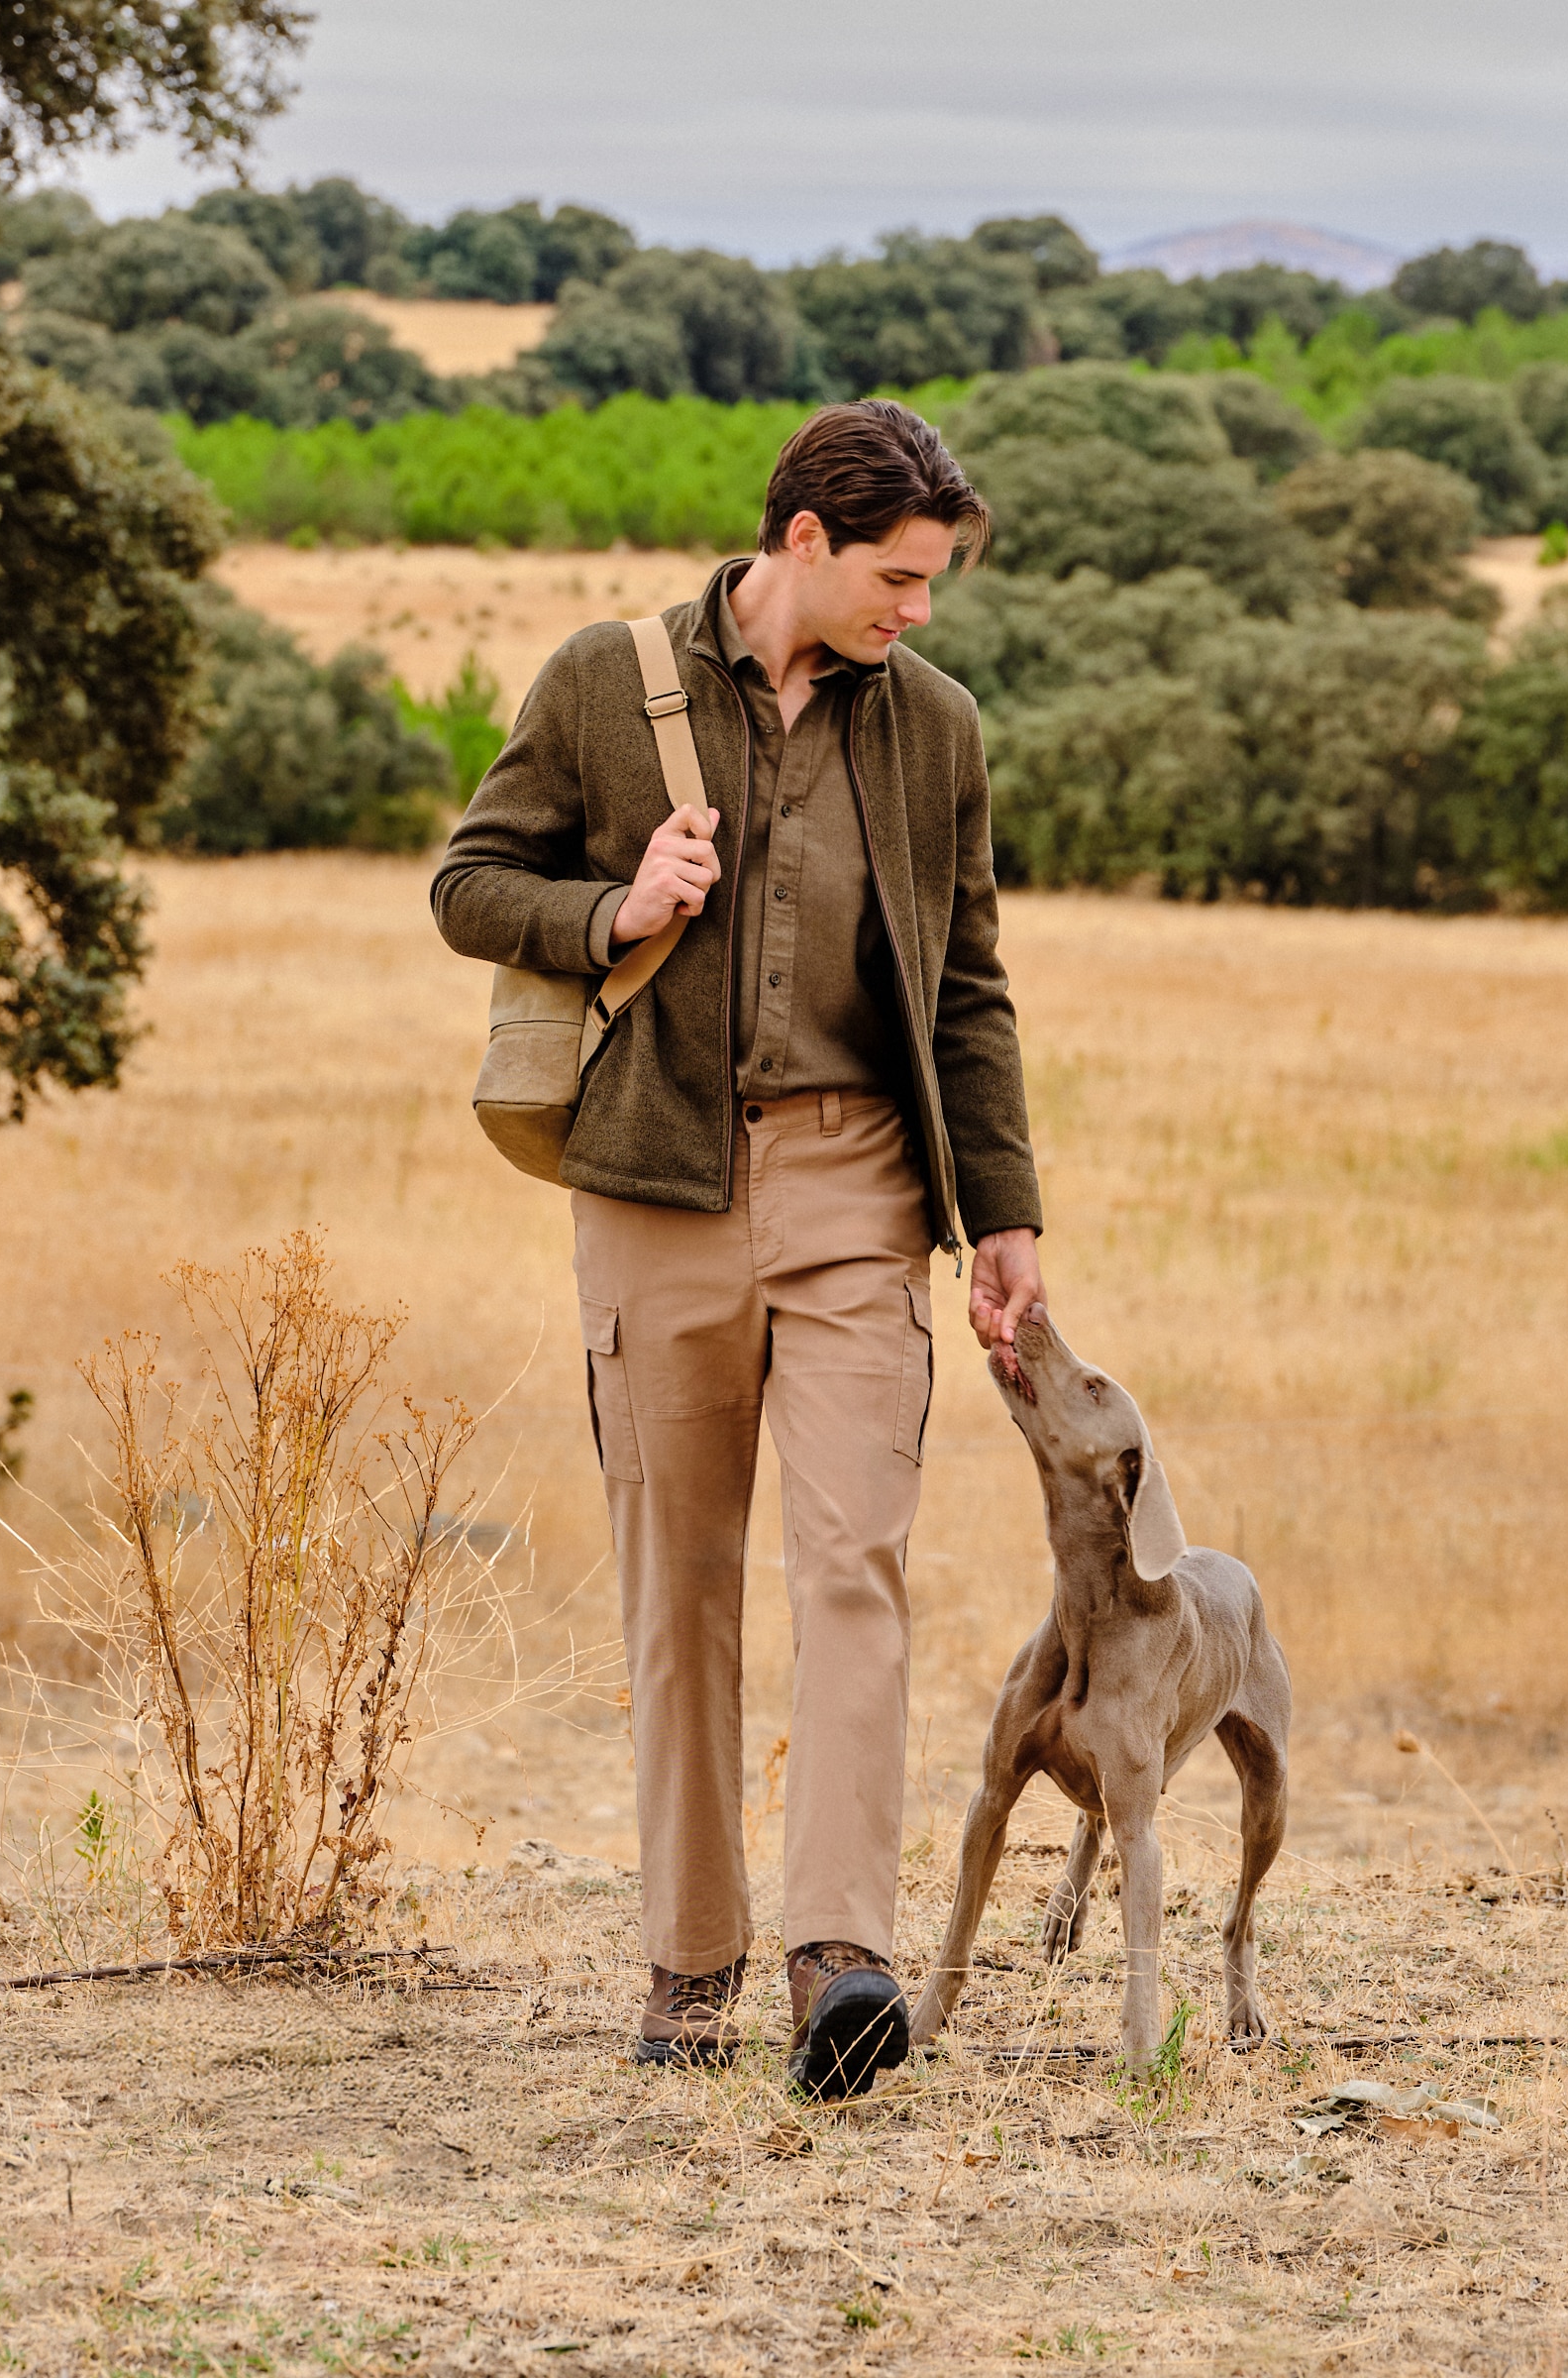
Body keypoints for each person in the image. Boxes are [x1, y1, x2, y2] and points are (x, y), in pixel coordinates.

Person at [430, 399, 1043, 2100]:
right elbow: (469, 885)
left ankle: (840, 1961)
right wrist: (611, 913)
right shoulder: (598, 683)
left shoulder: (936, 730)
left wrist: (1006, 1217)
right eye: (900, 580)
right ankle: (688, 1968)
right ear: (803, 542)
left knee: (855, 1563)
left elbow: (969, 986)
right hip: (653, 1195)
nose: (920, 613)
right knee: (678, 1591)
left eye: (934, 587)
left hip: (860, 1192)